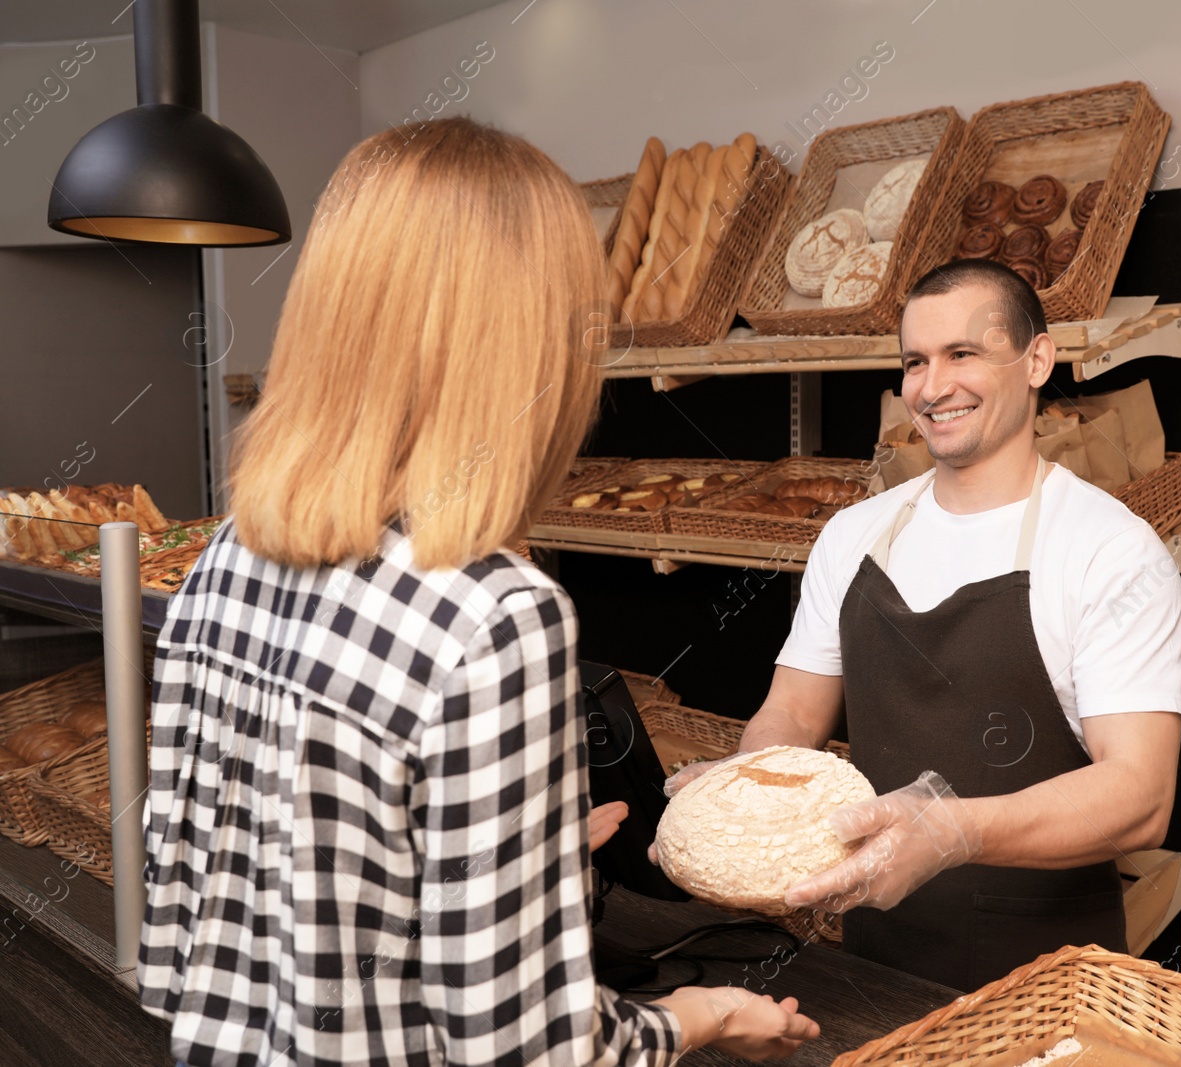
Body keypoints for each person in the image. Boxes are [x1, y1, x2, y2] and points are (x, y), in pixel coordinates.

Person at [139, 117, 817, 1066]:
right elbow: (527, 1046)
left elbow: (187, 917)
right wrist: (703, 1014)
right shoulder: (492, 617)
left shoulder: (223, 559)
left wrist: (503, 865)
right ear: (524, 350)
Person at [665, 259, 1181, 993]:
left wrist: (953, 831)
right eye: (915, 361)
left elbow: (1140, 798)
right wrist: (744, 796)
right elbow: (791, 709)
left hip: (1046, 983)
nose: (932, 386)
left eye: (963, 354)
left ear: (1037, 359)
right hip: (869, 958)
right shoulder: (856, 534)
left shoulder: (1110, 550)